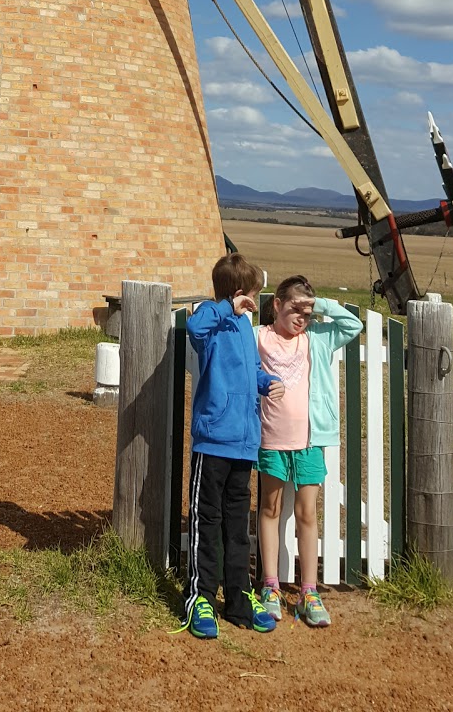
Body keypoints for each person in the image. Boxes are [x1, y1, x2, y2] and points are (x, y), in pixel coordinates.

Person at [182, 253, 284, 640]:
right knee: (206, 522)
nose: (255, 303)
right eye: (252, 294)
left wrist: (265, 381)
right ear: (240, 293)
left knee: (238, 526)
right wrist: (226, 307)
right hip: (213, 442)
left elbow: (251, 368)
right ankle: (200, 598)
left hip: (244, 444)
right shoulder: (213, 318)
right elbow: (195, 326)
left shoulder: (243, 327)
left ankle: (239, 598)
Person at [256, 275, 363, 628]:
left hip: (309, 441)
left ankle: (308, 590)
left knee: (306, 514)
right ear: (276, 305)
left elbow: (353, 324)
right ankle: (270, 585)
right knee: (269, 509)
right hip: (271, 438)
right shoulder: (260, 338)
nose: (300, 317)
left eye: (307, 311)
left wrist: (321, 306)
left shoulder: (316, 337)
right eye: (294, 309)